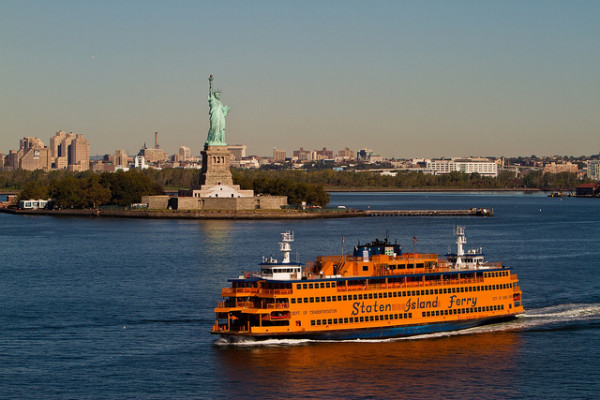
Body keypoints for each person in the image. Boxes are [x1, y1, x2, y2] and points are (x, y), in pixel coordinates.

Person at [206, 74, 230, 145]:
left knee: (221, 128)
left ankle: (220, 141)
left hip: (220, 118)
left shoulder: (220, 103)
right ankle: (213, 140)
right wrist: (211, 82)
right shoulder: (212, 99)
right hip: (214, 117)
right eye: (216, 94)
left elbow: (223, 112)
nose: (218, 95)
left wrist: (226, 110)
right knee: (214, 128)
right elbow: (210, 91)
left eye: (219, 94)